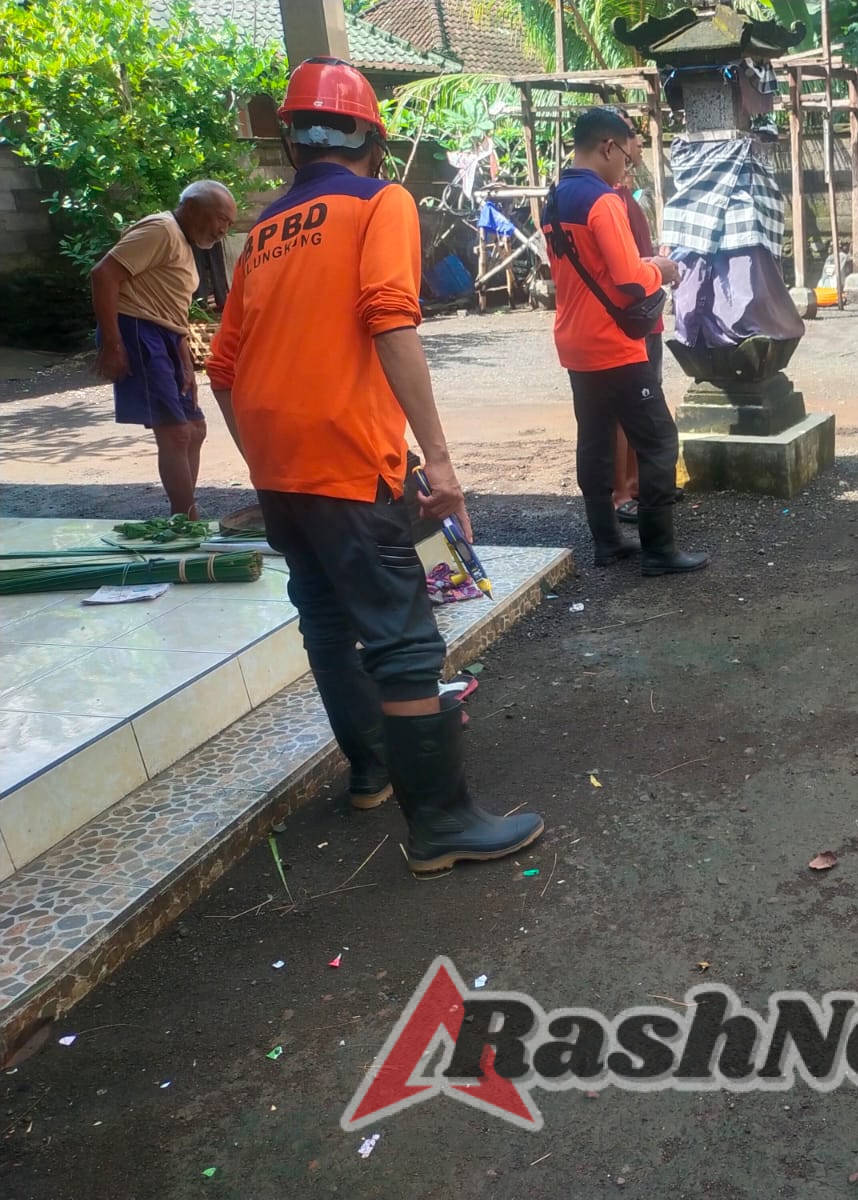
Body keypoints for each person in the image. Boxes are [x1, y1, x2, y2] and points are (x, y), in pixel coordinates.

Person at [207, 57, 541, 876]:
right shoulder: (380, 201)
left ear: (292, 143)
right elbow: (391, 319)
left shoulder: (259, 237)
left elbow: (221, 367)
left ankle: (371, 774)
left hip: (279, 470)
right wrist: (441, 459)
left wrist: (265, 456)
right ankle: (441, 825)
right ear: (373, 142)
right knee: (401, 640)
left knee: (325, 619)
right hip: (351, 460)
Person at [541, 107, 707, 575]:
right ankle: (659, 550)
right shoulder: (603, 201)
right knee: (657, 440)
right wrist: (661, 268)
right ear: (607, 147)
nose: (626, 168)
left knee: (593, 439)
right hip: (614, 344)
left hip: (575, 342)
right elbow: (630, 279)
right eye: (626, 159)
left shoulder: (555, 199)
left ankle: (608, 542)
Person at [90, 180, 237, 518]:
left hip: (167, 337)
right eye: (220, 219)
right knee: (175, 432)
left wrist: (186, 365)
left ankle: (183, 515)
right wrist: (113, 344)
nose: (222, 231)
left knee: (195, 429)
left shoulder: (183, 244)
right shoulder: (162, 229)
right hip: (138, 329)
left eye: (228, 224)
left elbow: (174, 313)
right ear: (191, 208)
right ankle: (186, 517)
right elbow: (103, 275)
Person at [610, 181, 663, 527]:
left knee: (644, 404)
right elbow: (625, 269)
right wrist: (658, 268)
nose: (636, 146)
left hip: (646, 318)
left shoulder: (625, 196)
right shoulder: (607, 201)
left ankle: (636, 481)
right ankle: (621, 491)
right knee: (624, 409)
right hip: (630, 319)